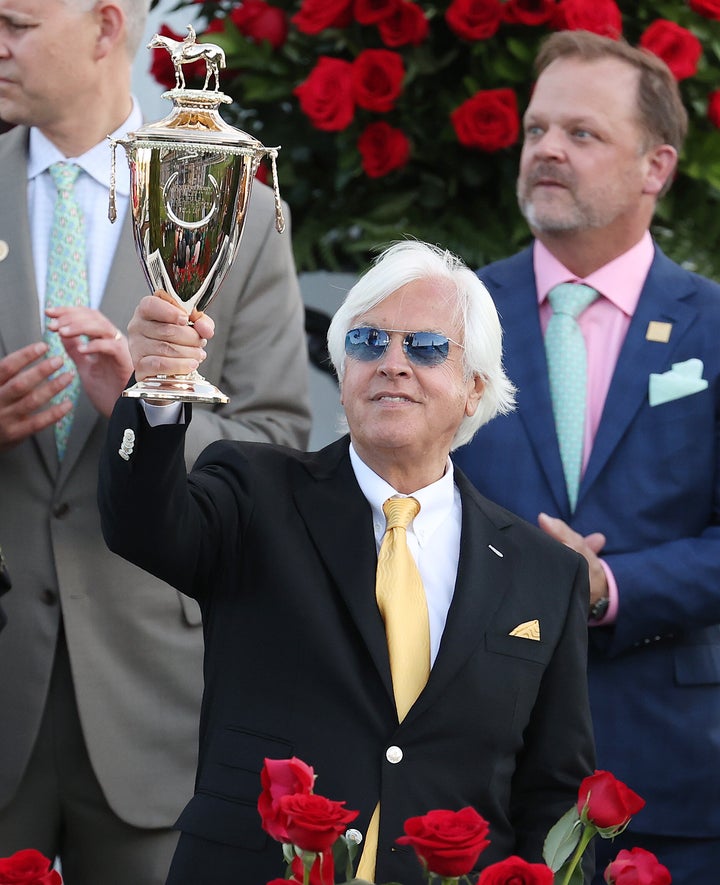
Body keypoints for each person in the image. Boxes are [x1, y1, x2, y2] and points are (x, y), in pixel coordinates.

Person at [98, 240, 595, 885]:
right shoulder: (254, 490)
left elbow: (555, 796)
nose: (392, 364)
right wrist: (158, 387)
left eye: (425, 348)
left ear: (474, 388)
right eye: (367, 343)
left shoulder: (544, 575)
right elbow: (143, 527)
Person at [0, 1, 310, 883]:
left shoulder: (240, 211)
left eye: (17, 23)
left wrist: (153, 416)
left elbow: (281, 441)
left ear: (106, 28)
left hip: (155, 697)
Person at [453, 29, 720, 885]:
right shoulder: (453, 316)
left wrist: (609, 587)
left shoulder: (712, 326)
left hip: (669, 775)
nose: (547, 151)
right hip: (474, 775)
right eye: (536, 130)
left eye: (582, 133)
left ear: (657, 167)